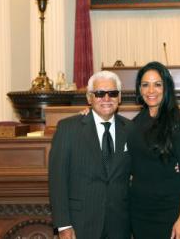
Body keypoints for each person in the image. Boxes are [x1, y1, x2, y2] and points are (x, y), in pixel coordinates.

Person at [49, 71, 133, 239]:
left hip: (120, 225)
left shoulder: (130, 129)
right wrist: (63, 225)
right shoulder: (68, 129)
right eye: (100, 93)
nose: (106, 98)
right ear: (89, 98)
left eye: (113, 93)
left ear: (120, 97)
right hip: (80, 224)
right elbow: (58, 180)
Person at [128, 61, 180, 239]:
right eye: (145, 85)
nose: (151, 91)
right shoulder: (132, 125)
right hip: (139, 212)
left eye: (157, 84)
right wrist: (87, 113)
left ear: (166, 88)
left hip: (170, 212)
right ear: (139, 89)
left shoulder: (179, 124)